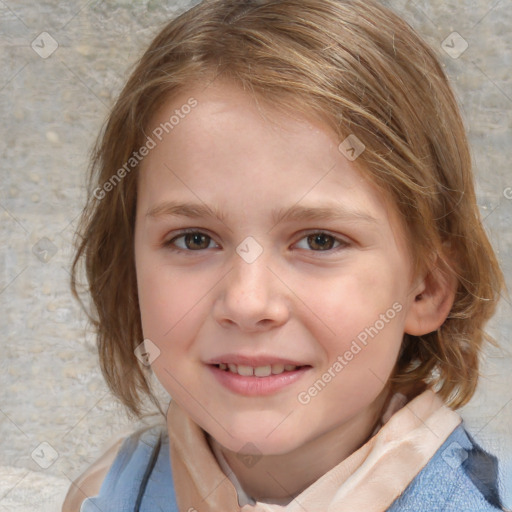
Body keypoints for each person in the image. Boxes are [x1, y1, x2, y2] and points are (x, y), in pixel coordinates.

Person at [62, 0, 508, 510]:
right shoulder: (104, 495)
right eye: (194, 239)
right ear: (127, 268)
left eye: (319, 240)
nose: (248, 303)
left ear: (427, 286)